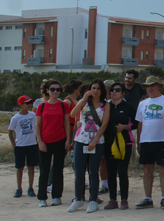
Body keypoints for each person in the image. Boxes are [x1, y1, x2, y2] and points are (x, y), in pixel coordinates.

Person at [133, 76, 164, 209]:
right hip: (146, 140)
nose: (150, 88)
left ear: (159, 86)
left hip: (162, 140)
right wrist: (139, 142)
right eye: (148, 86)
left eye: (153, 85)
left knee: (163, 169)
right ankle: (148, 198)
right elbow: (140, 124)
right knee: (147, 170)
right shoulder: (142, 104)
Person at [68, 80, 109, 213]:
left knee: (93, 171)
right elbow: (72, 114)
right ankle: (78, 198)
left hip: (97, 141)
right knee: (79, 171)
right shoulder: (84, 102)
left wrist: (95, 140)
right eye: (93, 88)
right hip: (81, 139)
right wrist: (83, 99)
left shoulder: (105, 105)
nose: (95, 91)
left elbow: (104, 124)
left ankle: (93, 199)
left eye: (98, 88)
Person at [34, 79, 70, 207]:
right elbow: (37, 125)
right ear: (47, 91)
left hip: (60, 140)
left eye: (58, 89)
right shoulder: (42, 106)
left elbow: (66, 123)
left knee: (58, 170)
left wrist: (68, 140)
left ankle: (56, 196)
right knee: (44, 170)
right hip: (45, 141)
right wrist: (39, 141)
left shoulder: (63, 105)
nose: (55, 92)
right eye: (53, 89)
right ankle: (42, 198)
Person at [8, 95, 37, 198]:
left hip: (32, 144)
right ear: (21, 105)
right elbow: (10, 132)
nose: (29, 105)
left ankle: (31, 187)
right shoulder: (16, 118)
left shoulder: (33, 115)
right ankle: (19, 188)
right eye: (27, 103)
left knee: (31, 167)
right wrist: (14, 145)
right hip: (20, 145)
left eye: (30, 103)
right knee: (20, 167)